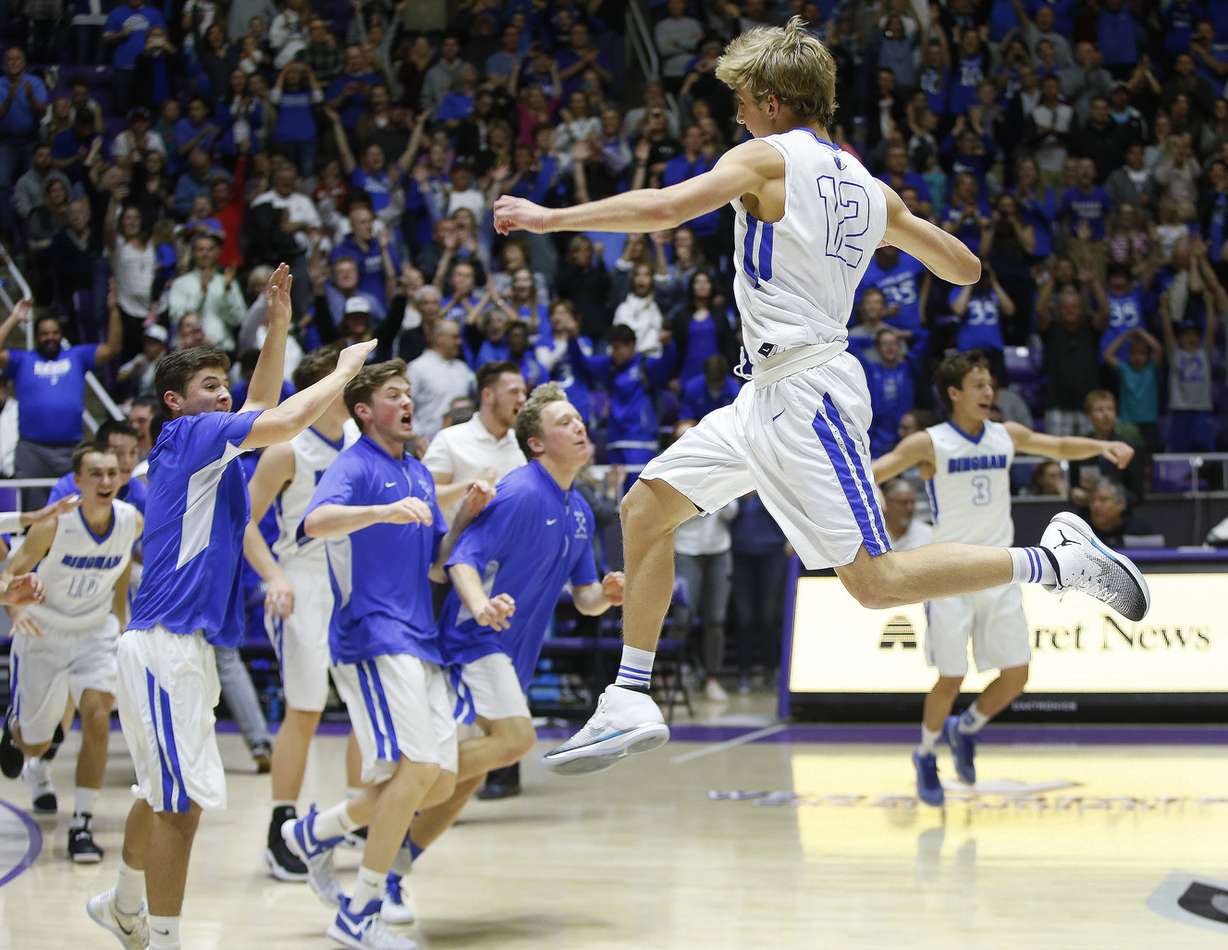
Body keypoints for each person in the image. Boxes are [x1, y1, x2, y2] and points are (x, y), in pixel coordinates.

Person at [493, 17, 1151, 776]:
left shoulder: (765, 156)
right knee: (648, 506)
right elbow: (966, 269)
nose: (735, 114)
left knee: (874, 584)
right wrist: (881, 227)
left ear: (773, 100)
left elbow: (666, 209)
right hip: (762, 393)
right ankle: (631, 692)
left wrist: (554, 217)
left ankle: (1053, 562)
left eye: (741, 99)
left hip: (809, 391)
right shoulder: (869, 188)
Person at [85, 265, 376, 950]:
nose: (225, 395)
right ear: (176, 403)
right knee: (180, 807)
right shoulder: (187, 440)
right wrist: (345, 372)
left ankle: (125, 902)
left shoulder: (208, 451)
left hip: (184, 648)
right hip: (163, 645)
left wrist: (276, 327)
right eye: (210, 386)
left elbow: (265, 409)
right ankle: (163, 938)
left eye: (225, 384)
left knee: (158, 793)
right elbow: (289, 417)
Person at [282, 360, 490, 949]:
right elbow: (315, 521)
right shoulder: (354, 464)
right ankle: (358, 912)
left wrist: (465, 517)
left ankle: (316, 832)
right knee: (417, 769)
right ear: (364, 411)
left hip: (420, 636)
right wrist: (379, 511)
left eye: (408, 394)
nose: (406, 403)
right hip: (374, 635)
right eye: (392, 395)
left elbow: (432, 560)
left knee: (441, 779)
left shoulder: (418, 473)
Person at [872, 352, 1136, 806]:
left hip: (999, 570)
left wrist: (1100, 446)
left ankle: (967, 728)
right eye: (978, 386)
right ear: (954, 393)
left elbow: (1055, 447)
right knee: (950, 679)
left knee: (1016, 676)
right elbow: (873, 473)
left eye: (990, 385)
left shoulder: (1005, 434)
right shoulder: (928, 442)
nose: (989, 393)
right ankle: (925, 754)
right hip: (947, 576)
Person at [396, 385, 623, 903]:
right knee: (516, 740)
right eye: (564, 422)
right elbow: (462, 560)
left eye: (577, 419)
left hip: (512, 653)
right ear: (538, 443)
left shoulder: (580, 509)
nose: (579, 426)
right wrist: (479, 606)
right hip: (474, 640)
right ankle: (390, 789)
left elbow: (584, 598)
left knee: (467, 781)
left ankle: (389, 868)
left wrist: (607, 595)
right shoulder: (519, 491)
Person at [241, 346, 363, 882]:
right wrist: (275, 577)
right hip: (304, 584)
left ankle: (360, 813)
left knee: (365, 703)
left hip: (352, 587)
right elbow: (243, 524)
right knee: (306, 710)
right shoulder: (286, 450)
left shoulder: (361, 442)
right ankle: (279, 828)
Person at [1, 442, 141, 860]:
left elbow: (119, 575)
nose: (105, 481)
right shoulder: (54, 525)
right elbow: (11, 571)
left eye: (113, 473)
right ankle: (16, 735)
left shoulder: (130, 522)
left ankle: (82, 823)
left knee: (97, 717)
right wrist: (13, 607)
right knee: (35, 743)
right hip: (44, 632)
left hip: (93, 632)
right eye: (95, 473)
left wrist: (119, 623)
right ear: (76, 481)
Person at [0, 298, 124, 509]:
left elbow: (112, 348)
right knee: (34, 513)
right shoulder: (22, 360)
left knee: (75, 511)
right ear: (37, 337)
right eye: (44, 334)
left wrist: (113, 309)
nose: (50, 337)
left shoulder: (76, 356)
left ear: (61, 335)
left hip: (71, 450)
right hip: (32, 451)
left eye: (55, 333)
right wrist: (14, 318)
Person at [421, 360, 527, 522]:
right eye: (514, 392)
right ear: (488, 395)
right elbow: (425, 497)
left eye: (523, 392)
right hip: (459, 544)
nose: (522, 399)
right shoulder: (450, 438)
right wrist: (469, 485)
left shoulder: (518, 444)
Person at [48, 419, 147, 514]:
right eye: (118, 452)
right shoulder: (67, 489)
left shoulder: (140, 493)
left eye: (133, 452)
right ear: (100, 451)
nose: (127, 461)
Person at [880, 478, 931, 551]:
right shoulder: (875, 535)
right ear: (886, 503)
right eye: (903, 502)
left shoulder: (926, 534)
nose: (909, 508)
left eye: (912, 502)